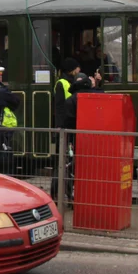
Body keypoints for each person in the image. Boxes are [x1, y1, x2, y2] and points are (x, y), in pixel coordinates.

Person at [50, 58, 81, 199]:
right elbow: (60, 108)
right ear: (72, 70)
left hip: (68, 128)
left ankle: (67, 193)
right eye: (77, 68)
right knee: (62, 163)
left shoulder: (71, 83)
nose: (79, 70)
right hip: (65, 129)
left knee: (68, 163)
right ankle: (56, 194)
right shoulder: (62, 84)